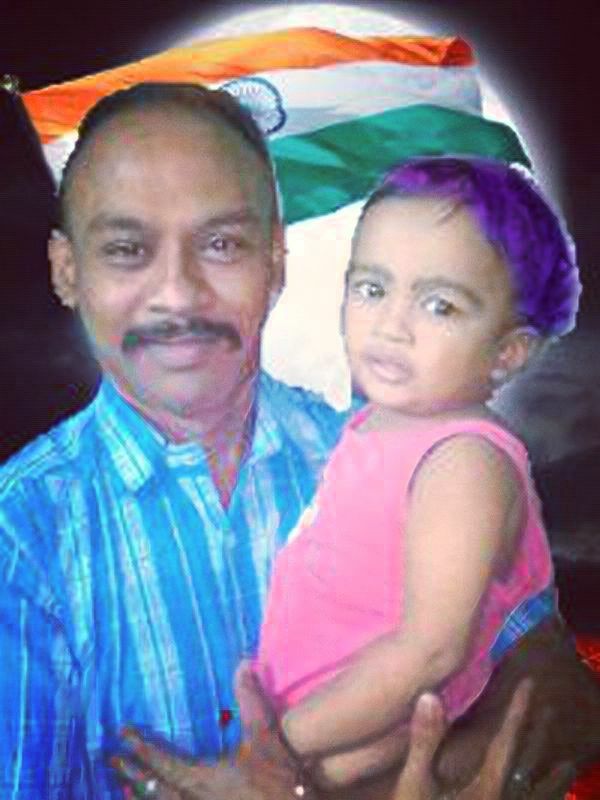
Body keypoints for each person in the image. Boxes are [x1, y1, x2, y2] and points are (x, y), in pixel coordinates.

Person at [0, 82, 598, 800]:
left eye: (221, 244)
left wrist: (449, 770)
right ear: (68, 271)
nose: (178, 294)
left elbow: (553, 682)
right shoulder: (21, 535)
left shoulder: (385, 457)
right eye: (127, 249)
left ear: (276, 263)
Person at [251, 156, 579, 786]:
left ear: (508, 351)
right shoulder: (372, 424)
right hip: (318, 716)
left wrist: (284, 742)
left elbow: (431, 651)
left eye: (439, 305)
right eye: (372, 289)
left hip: (372, 737)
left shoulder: (464, 461)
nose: (391, 326)